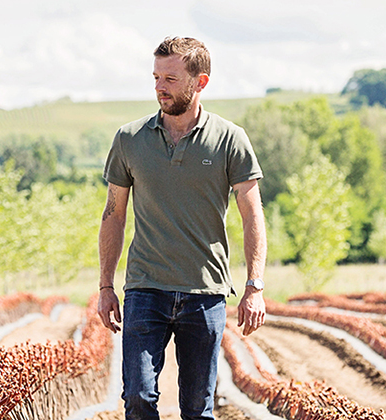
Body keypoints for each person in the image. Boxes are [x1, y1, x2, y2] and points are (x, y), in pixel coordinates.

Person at [97, 36, 268, 420]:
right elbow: (114, 214)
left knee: (197, 408)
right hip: (145, 288)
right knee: (138, 398)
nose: (159, 86)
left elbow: (252, 215)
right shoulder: (129, 140)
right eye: (156, 76)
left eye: (171, 79)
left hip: (204, 293)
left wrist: (254, 286)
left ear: (200, 82)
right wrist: (106, 285)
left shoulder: (229, 140)